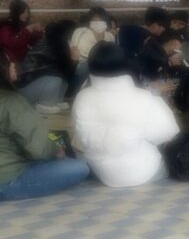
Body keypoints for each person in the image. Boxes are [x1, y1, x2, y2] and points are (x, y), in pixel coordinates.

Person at [71, 43, 179, 188]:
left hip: (101, 172)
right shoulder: (143, 97)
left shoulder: (82, 96)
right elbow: (166, 133)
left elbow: (79, 134)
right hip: (143, 171)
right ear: (126, 63)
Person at [0, 57, 90, 201]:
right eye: (8, 62)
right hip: (7, 179)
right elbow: (39, 149)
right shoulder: (11, 102)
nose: (13, 65)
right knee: (79, 167)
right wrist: (56, 150)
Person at [17, 19, 77, 113]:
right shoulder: (48, 46)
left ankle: (56, 100)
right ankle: (45, 104)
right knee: (55, 79)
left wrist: (73, 60)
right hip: (25, 90)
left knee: (63, 79)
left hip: (36, 84)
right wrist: (72, 59)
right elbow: (53, 70)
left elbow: (66, 72)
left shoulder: (58, 45)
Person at [0, 0, 43, 66]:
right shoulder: (6, 26)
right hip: (11, 64)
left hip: (26, 59)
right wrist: (28, 29)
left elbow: (32, 43)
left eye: (27, 12)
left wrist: (38, 32)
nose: (26, 14)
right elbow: (12, 44)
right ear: (16, 13)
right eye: (23, 12)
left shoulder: (24, 24)